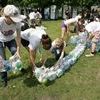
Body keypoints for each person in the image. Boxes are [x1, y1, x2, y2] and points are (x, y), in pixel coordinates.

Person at [0, 5, 26, 86]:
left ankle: (20, 67)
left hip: (11, 40)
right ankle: (4, 78)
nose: (15, 21)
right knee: (2, 60)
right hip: (0, 41)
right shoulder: (1, 21)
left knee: (15, 53)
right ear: (6, 17)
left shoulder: (17, 22)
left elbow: (18, 37)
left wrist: (18, 50)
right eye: (13, 19)